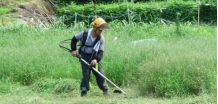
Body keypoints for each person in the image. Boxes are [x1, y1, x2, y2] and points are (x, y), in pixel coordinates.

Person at [71, 17, 109, 96]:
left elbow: (101, 52)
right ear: (95, 28)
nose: (101, 32)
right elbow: (74, 39)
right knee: (86, 74)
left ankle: (105, 90)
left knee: (100, 73)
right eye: (100, 30)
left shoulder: (101, 38)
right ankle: (84, 91)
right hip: (84, 55)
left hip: (95, 56)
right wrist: (74, 50)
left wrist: (96, 59)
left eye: (102, 30)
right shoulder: (85, 33)